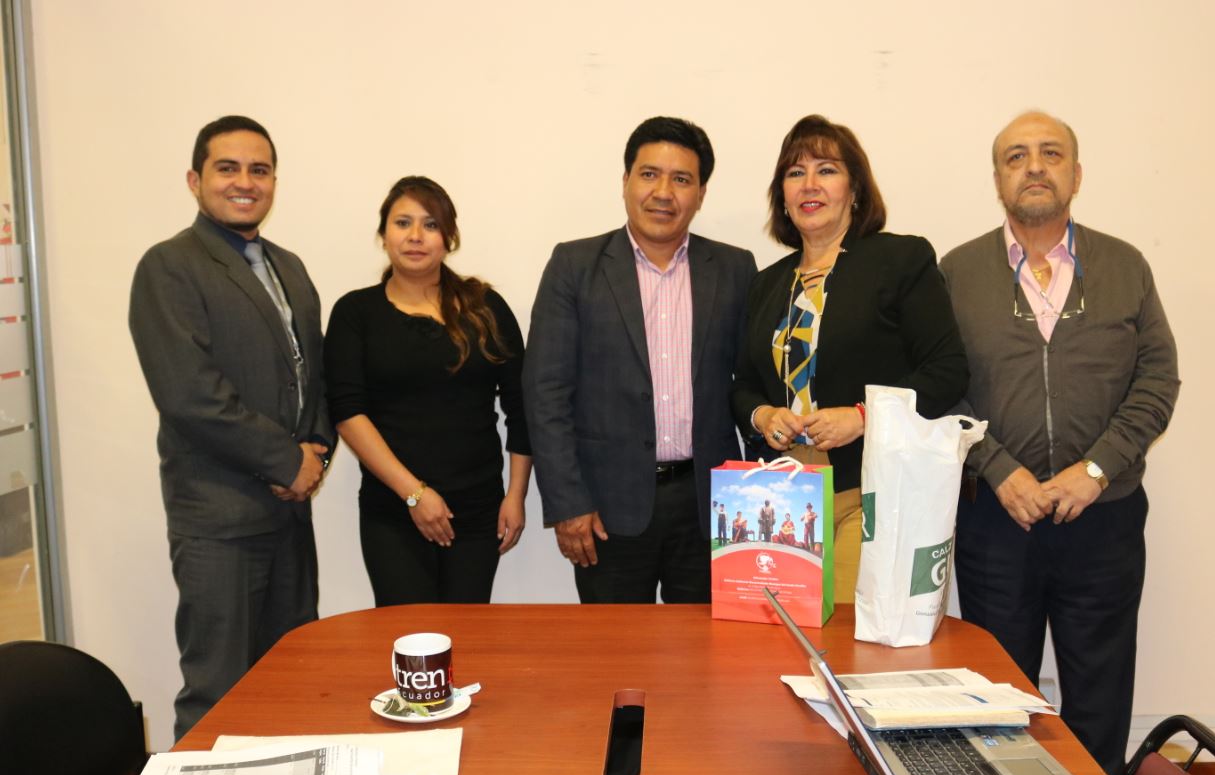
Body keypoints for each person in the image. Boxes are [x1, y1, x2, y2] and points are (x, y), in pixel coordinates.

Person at [941, 111, 1180, 775]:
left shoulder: (1125, 265)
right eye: (1016, 156)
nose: (1035, 167)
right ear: (998, 179)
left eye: (1051, 153)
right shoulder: (956, 271)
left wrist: (1096, 469)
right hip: (996, 519)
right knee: (997, 698)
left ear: (1076, 173)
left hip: (1104, 517)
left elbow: (1158, 380)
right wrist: (997, 468)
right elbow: (939, 391)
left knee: (1100, 693)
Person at [129, 115, 335, 741]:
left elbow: (314, 375)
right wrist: (287, 462)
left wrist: (316, 452)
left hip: (288, 517)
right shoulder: (169, 266)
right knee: (217, 697)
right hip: (219, 521)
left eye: (259, 170)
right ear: (195, 180)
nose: (245, 182)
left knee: (293, 684)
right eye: (228, 168)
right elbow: (190, 395)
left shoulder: (289, 267)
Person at [732, 114, 968, 604]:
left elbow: (947, 371)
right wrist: (763, 415)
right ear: (782, 195)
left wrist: (864, 416)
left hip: (872, 493)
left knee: (850, 638)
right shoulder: (766, 283)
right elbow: (743, 384)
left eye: (827, 170)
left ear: (855, 188)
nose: (809, 184)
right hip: (783, 498)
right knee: (780, 638)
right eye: (795, 173)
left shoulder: (900, 261)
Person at [524, 116, 756, 604]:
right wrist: (567, 502)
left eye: (682, 179)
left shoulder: (735, 268)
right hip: (605, 508)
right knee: (615, 646)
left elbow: (750, 382)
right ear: (626, 181)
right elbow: (545, 392)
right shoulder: (574, 266)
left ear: (701, 193)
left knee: (705, 646)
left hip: (708, 505)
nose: (663, 192)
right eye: (649, 174)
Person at [324, 176, 531, 605]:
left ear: (449, 237)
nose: (416, 236)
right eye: (403, 223)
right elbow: (347, 412)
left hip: (479, 511)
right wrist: (414, 494)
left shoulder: (485, 308)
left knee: (468, 633)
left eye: (431, 224)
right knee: (409, 634)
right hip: (393, 512)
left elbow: (521, 406)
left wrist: (516, 495)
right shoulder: (355, 313)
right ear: (383, 234)